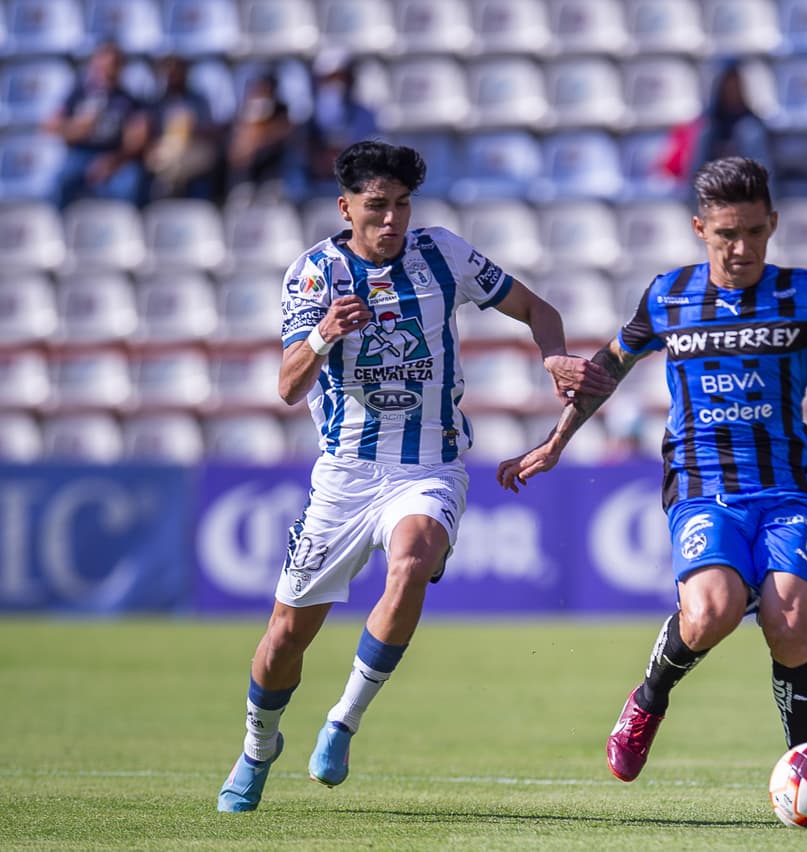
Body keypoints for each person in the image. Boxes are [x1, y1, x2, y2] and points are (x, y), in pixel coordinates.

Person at [496, 157, 807, 782]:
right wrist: (558, 440)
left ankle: (801, 766)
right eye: (727, 233)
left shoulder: (805, 292)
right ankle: (648, 700)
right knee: (711, 613)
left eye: (753, 232)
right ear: (701, 228)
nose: (741, 248)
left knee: (787, 628)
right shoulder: (669, 295)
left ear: (773, 225)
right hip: (704, 485)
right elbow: (608, 369)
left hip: (788, 489)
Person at [215, 140, 616, 813]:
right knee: (284, 636)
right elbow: (287, 386)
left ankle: (343, 720)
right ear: (346, 208)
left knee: (414, 558)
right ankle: (258, 748)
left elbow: (539, 311)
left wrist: (553, 358)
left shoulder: (443, 254)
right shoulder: (314, 275)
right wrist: (322, 337)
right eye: (377, 207)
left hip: (427, 464)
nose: (392, 220)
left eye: (402, 205)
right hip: (345, 475)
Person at [42, 41, 151, 208]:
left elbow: (137, 140)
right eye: (102, 66)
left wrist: (113, 161)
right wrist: (74, 128)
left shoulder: (129, 100)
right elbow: (49, 125)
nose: (107, 71)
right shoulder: (78, 94)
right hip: (81, 153)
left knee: (131, 185)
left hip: (114, 155)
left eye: (112, 66)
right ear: (94, 65)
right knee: (59, 183)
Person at [287, 50, 380, 202]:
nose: (338, 83)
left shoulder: (365, 115)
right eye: (330, 78)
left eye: (342, 76)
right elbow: (302, 151)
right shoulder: (306, 116)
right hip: (314, 189)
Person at [143, 55, 221, 201]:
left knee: (187, 162)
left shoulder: (198, 100)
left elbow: (210, 129)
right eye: (169, 73)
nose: (173, 77)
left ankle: (170, 187)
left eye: (177, 72)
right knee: (161, 159)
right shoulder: (155, 103)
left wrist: (193, 130)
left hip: (192, 148)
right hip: (164, 149)